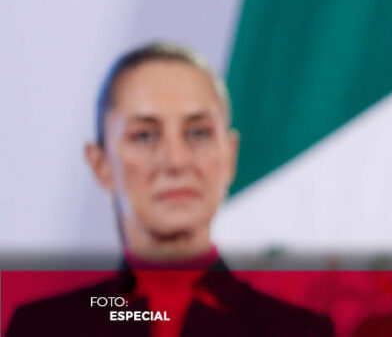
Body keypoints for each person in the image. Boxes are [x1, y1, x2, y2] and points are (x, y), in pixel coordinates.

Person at [5, 43, 334, 337]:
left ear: (230, 155)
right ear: (101, 164)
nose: (176, 161)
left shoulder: (301, 332)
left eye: (199, 133)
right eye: (145, 135)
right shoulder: (42, 329)